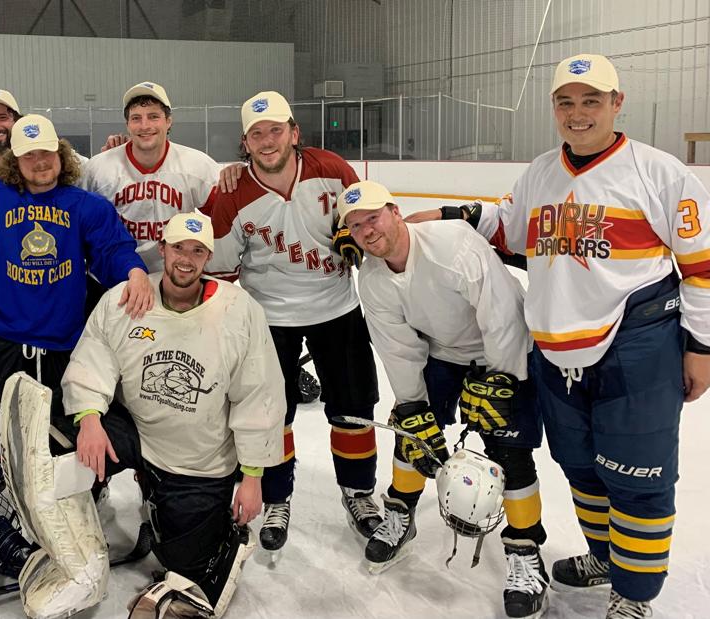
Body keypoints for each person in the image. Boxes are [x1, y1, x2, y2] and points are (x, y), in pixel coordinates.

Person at [409, 53, 710, 618]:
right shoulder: (542, 172)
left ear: (617, 103)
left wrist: (701, 347)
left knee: (637, 475)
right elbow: (508, 227)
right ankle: (606, 557)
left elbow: (703, 268)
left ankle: (634, 594)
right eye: (566, 102)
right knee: (582, 469)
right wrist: (450, 215)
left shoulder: (659, 172)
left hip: (636, 346)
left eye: (591, 100)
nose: (578, 113)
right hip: (554, 353)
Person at [0, 112, 153, 588]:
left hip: (64, 348)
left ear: (61, 155)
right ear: (15, 159)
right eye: (29, 155)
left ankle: (60, 511)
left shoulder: (83, 206)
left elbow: (112, 249)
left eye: (47, 153)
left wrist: (132, 270)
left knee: (65, 440)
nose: (40, 162)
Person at [339, 180, 549, 618]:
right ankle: (400, 515)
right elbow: (398, 349)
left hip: (506, 348)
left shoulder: (453, 244)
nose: (367, 231)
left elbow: (502, 314)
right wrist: (412, 407)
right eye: (356, 226)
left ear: (395, 212)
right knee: (411, 435)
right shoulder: (373, 279)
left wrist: (501, 379)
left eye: (373, 218)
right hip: (445, 353)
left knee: (509, 452)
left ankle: (525, 550)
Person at [62, 211, 285, 615]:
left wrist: (253, 479)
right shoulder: (127, 297)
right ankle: (66, 529)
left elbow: (260, 395)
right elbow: (93, 357)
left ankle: (192, 529)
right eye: (178, 247)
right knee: (60, 439)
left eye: (197, 251)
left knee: (186, 567)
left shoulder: (238, 311)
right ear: (162, 249)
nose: (186, 259)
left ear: (209, 257)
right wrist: (89, 419)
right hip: (137, 433)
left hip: (199, 461)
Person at [205, 90, 381, 556]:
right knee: (270, 416)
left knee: (354, 409)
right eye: (257, 134)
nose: (267, 141)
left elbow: (365, 217)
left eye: (276, 130)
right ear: (245, 142)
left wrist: (352, 231)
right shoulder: (232, 193)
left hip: (337, 309)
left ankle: (359, 492)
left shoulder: (332, 169)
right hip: (269, 318)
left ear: (294, 132)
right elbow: (219, 266)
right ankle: (276, 498)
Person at [80, 81, 221, 273]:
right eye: (136, 118)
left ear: (168, 121)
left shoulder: (196, 165)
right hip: (113, 277)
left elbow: (226, 219)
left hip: (174, 276)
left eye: (153, 117)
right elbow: (76, 221)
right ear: (127, 125)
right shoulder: (98, 168)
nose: (145, 126)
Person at [0, 88, 90, 195]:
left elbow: (89, 170)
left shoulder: (63, 160)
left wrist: (105, 155)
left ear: (17, 120)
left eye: (2, 117)